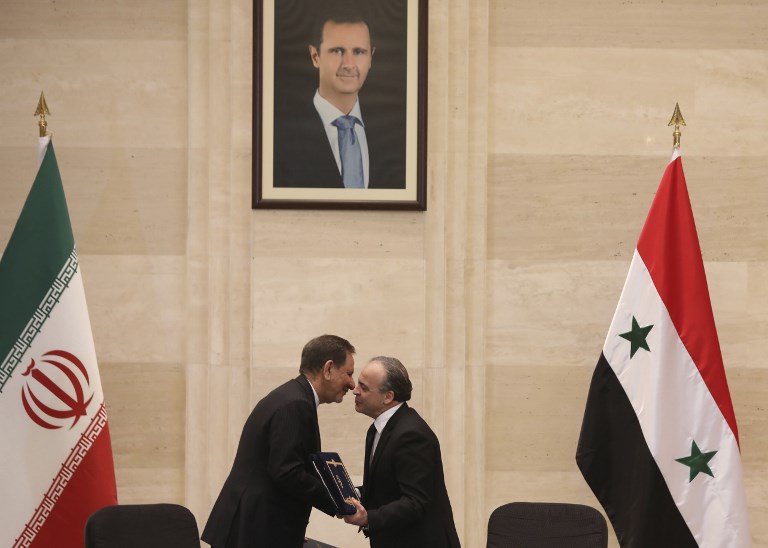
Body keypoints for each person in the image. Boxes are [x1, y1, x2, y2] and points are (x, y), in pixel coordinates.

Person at [201, 335, 357, 548]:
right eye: (349, 373)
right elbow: (287, 471)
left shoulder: (291, 396)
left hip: (257, 526)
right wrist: (339, 502)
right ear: (328, 369)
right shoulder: (296, 403)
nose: (352, 384)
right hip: (254, 531)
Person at [273, 10, 406, 189]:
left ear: (371, 58)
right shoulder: (279, 136)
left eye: (359, 52)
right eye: (337, 51)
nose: (349, 64)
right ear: (315, 56)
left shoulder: (397, 134)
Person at [343, 356, 461, 547]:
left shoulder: (412, 434)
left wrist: (368, 518)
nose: (355, 390)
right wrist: (351, 493)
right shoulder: (377, 429)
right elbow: (386, 487)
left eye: (364, 387)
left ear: (388, 397)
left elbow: (415, 502)